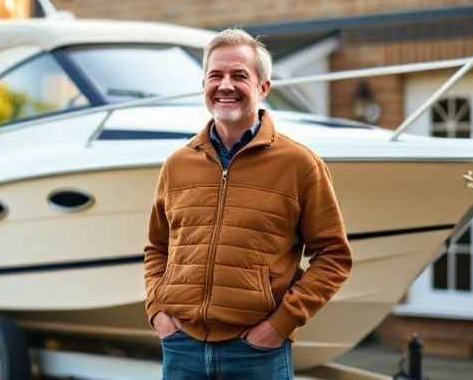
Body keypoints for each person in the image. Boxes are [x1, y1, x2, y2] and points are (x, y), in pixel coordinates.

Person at [143, 28, 353, 379]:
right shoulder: (177, 164)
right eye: (216, 75)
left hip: (256, 354)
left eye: (239, 75)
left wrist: (279, 325)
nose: (225, 85)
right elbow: (157, 248)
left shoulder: (300, 164)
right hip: (183, 350)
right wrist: (158, 312)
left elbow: (334, 256)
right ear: (204, 85)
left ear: (263, 87)